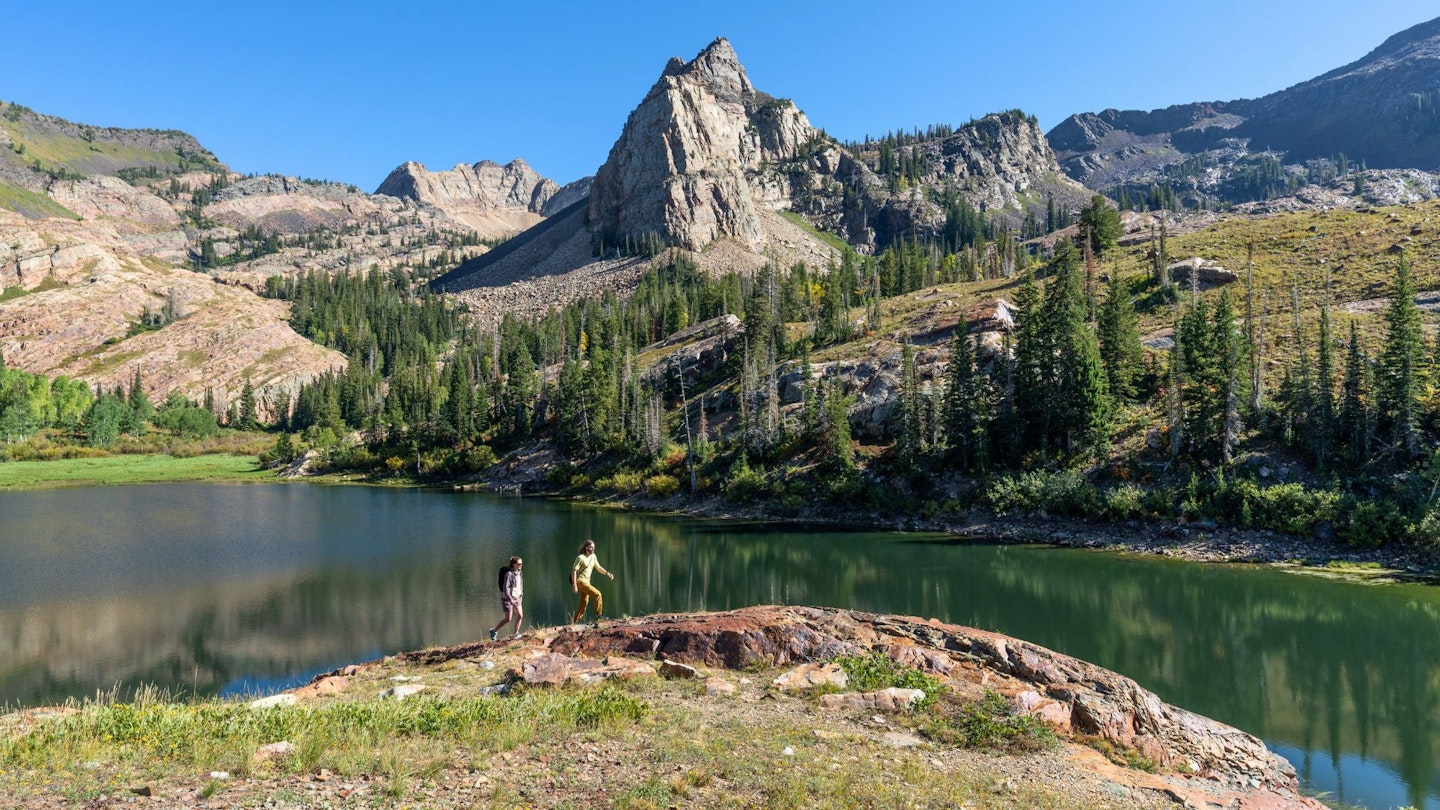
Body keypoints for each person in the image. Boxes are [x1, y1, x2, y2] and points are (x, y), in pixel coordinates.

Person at [570, 539, 614, 625]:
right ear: (586, 548)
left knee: (584, 602)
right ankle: (599, 616)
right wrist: (574, 585)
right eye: (591, 547)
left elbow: (598, 567)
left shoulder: (593, 557)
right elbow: (574, 571)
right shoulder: (580, 558)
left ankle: (574, 622)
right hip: (581, 582)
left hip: (587, 582)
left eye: (593, 547)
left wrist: (607, 573)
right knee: (598, 594)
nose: (593, 549)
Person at [490, 556, 523, 641]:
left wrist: (521, 593)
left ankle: (515, 634)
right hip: (508, 599)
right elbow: (506, 588)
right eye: (519, 564)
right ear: (514, 564)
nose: (521, 565)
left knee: (520, 615)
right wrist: (510, 599)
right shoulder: (509, 574)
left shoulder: (520, 572)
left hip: (517, 597)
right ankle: (493, 631)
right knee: (508, 619)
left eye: (521, 564)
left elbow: (520, 584)